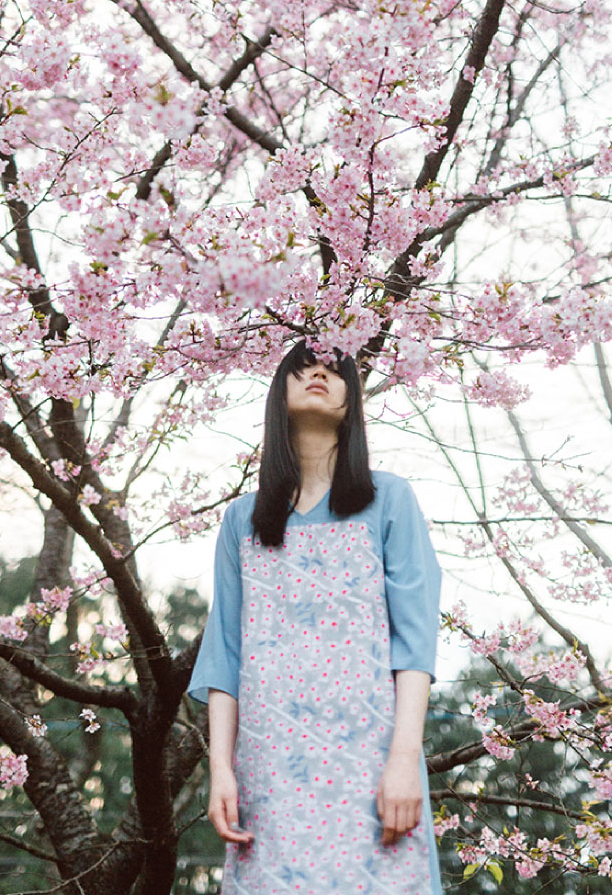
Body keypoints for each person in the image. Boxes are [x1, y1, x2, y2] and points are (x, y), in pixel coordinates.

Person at [187, 340, 442, 894]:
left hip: (372, 761)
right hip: (270, 772)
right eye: (303, 368)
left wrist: (404, 759)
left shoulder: (390, 500)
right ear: (278, 394)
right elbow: (225, 656)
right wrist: (222, 771)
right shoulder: (242, 521)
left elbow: (415, 642)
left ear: (352, 402)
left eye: (334, 369)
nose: (319, 374)